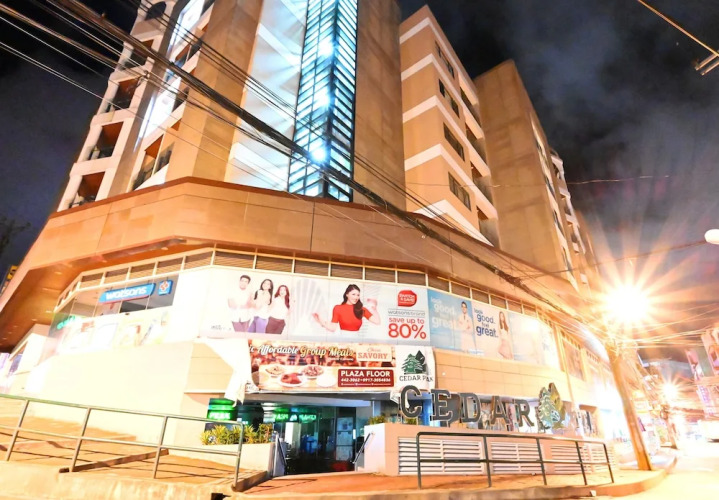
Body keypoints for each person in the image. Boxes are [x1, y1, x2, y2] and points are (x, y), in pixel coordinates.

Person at [313, 284, 380, 332]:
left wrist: (374, 309)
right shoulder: (338, 308)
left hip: (357, 341)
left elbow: (377, 321)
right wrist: (320, 321)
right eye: (353, 294)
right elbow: (333, 328)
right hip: (343, 341)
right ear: (347, 294)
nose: (356, 297)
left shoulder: (361, 309)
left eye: (358, 295)